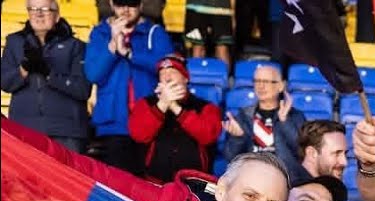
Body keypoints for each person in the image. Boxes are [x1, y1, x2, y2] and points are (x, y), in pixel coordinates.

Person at [84, 0, 174, 175]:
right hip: (113, 125)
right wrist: (112, 45)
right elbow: (93, 74)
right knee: (118, 189)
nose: (125, 9)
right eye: (120, 3)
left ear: (141, 5)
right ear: (111, 4)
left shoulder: (154, 32)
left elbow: (168, 69)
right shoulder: (100, 33)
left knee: (147, 188)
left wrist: (129, 53)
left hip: (151, 123)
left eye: (131, 3)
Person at [1, 0, 91, 153]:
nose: (38, 14)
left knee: (67, 177)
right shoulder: (14, 42)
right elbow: (4, 83)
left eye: (45, 9)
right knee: (26, 177)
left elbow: (82, 89)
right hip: (25, 130)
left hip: (67, 132)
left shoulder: (76, 46)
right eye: (33, 9)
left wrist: (49, 74)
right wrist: (24, 68)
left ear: (57, 15)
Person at [127, 54, 222, 183]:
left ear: (185, 78)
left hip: (194, 183)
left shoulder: (206, 107)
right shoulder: (145, 104)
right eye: (162, 73)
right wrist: (163, 105)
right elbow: (139, 134)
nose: (167, 77)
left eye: (172, 72)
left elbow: (208, 136)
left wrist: (175, 107)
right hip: (155, 181)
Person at [223, 63, 307, 184]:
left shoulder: (295, 116)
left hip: (286, 180)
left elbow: (300, 151)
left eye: (267, 81)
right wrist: (238, 138)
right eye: (257, 81)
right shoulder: (243, 116)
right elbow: (230, 157)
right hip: (251, 179)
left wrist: (285, 121)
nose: (261, 86)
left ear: (280, 86)